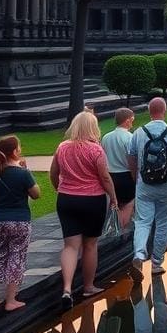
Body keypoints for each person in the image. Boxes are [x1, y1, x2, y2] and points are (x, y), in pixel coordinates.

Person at [51, 111, 118, 309]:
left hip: (66, 199)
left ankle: (66, 288)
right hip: (92, 200)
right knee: (90, 245)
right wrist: (113, 197)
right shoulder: (95, 150)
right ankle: (88, 286)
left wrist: (59, 189)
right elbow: (105, 177)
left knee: (70, 246)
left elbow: (54, 173)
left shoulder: (62, 147)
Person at [128, 97, 167, 281]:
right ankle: (156, 263)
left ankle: (138, 254)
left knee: (143, 221)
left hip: (144, 183)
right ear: (165, 110)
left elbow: (131, 157)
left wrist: (135, 176)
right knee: (162, 222)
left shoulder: (138, 132)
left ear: (149, 111)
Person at [0, 135, 40, 311]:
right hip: (19, 221)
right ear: (14, 151)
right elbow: (36, 194)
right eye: (18, 147)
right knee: (16, 257)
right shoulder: (23, 173)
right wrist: (28, 172)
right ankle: (11, 300)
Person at [102, 107, 136, 228]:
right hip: (126, 175)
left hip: (111, 176)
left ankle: (115, 226)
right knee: (129, 204)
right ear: (127, 121)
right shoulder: (130, 137)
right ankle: (121, 228)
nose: (132, 123)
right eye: (132, 120)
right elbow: (133, 159)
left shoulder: (106, 137)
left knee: (116, 203)